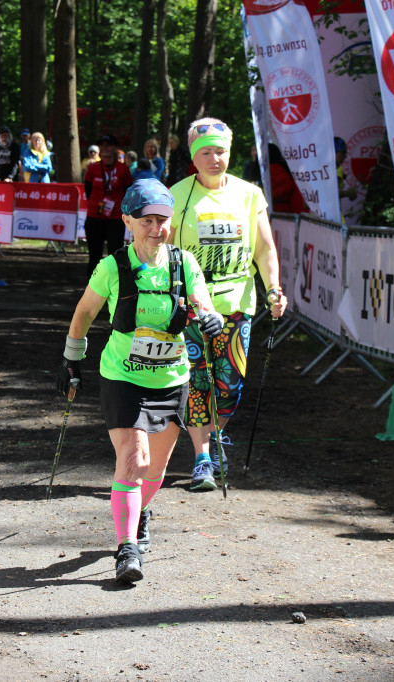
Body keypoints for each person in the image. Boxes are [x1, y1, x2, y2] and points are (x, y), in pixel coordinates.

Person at [58, 178, 224, 584]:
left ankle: (140, 512)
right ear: (127, 220)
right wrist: (72, 359)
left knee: (156, 473)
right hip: (123, 377)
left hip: (171, 379)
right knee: (136, 461)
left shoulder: (184, 264)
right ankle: (126, 547)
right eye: (147, 220)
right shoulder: (112, 266)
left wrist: (211, 318)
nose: (156, 228)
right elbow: (83, 314)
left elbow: (204, 303)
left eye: (163, 220)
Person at [167, 118, 287, 491]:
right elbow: (164, 250)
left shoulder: (250, 195)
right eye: (206, 152)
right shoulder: (177, 194)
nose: (214, 158)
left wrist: (274, 288)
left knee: (229, 385)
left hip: (238, 304)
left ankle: (217, 436)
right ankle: (203, 457)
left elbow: (265, 248)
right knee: (197, 381)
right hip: (192, 308)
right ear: (193, 156)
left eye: (220, 151)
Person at [83, 134, 133, 275]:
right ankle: (92, 288)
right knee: (94, 255)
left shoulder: (123, 169)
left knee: (115, 255)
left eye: (108, 145)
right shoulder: (92, 168)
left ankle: (114, 288)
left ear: (116, 148)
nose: (105, 148)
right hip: (94, 217)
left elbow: (127, 191)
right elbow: (88, 190)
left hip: (115, 218)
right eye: (102, 145)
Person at [268, 143, 309, 214]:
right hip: (281, 208)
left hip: (281, 208)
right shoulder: (274, 167)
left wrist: (270, 194)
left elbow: (288, 185)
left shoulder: (274, 168)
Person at [335, 136, 359, 201]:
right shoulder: (337, 168)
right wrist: (348, 193)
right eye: (343, 152)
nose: (345, 156)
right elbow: (332, 192)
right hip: (332, 211)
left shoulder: (319, 169)